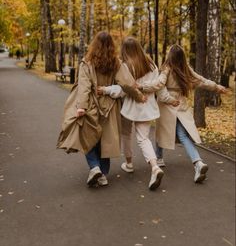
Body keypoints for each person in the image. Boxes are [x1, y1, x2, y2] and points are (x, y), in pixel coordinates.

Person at [57, 32, 145, 187]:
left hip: (91, 105)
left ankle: (95, 167)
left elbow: (84, 86)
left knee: (87, 137)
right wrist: (139, 96)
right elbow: (128, 84)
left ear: (94, 44)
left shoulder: (87, 62)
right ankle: (103, 175)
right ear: (111, 46)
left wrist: (81, 107)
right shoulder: (116, 63)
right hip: (110, 106)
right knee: (106, 140)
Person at [99, 37, 179, 191]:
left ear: (125, 50)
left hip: (130, 108)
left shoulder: (125, 66)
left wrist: (106, 89)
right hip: (147, 107)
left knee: (126, 135)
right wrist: (168, 99)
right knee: (143, 139)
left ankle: (129, 164)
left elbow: (123, 90)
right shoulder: (152, 65)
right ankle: (155, 167)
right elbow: (159, 86)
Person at [140, 44, 227, 183]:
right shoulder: (186, 69)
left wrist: (141, 86)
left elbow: (158, 85)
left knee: (161, 130)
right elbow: (201, 81)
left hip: (168, 105)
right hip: (181, 104)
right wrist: (216, 87)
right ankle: (198, 162)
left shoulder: (166, 68)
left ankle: (160, 157)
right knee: (182, 135)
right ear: (182, 57)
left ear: (170, 56)